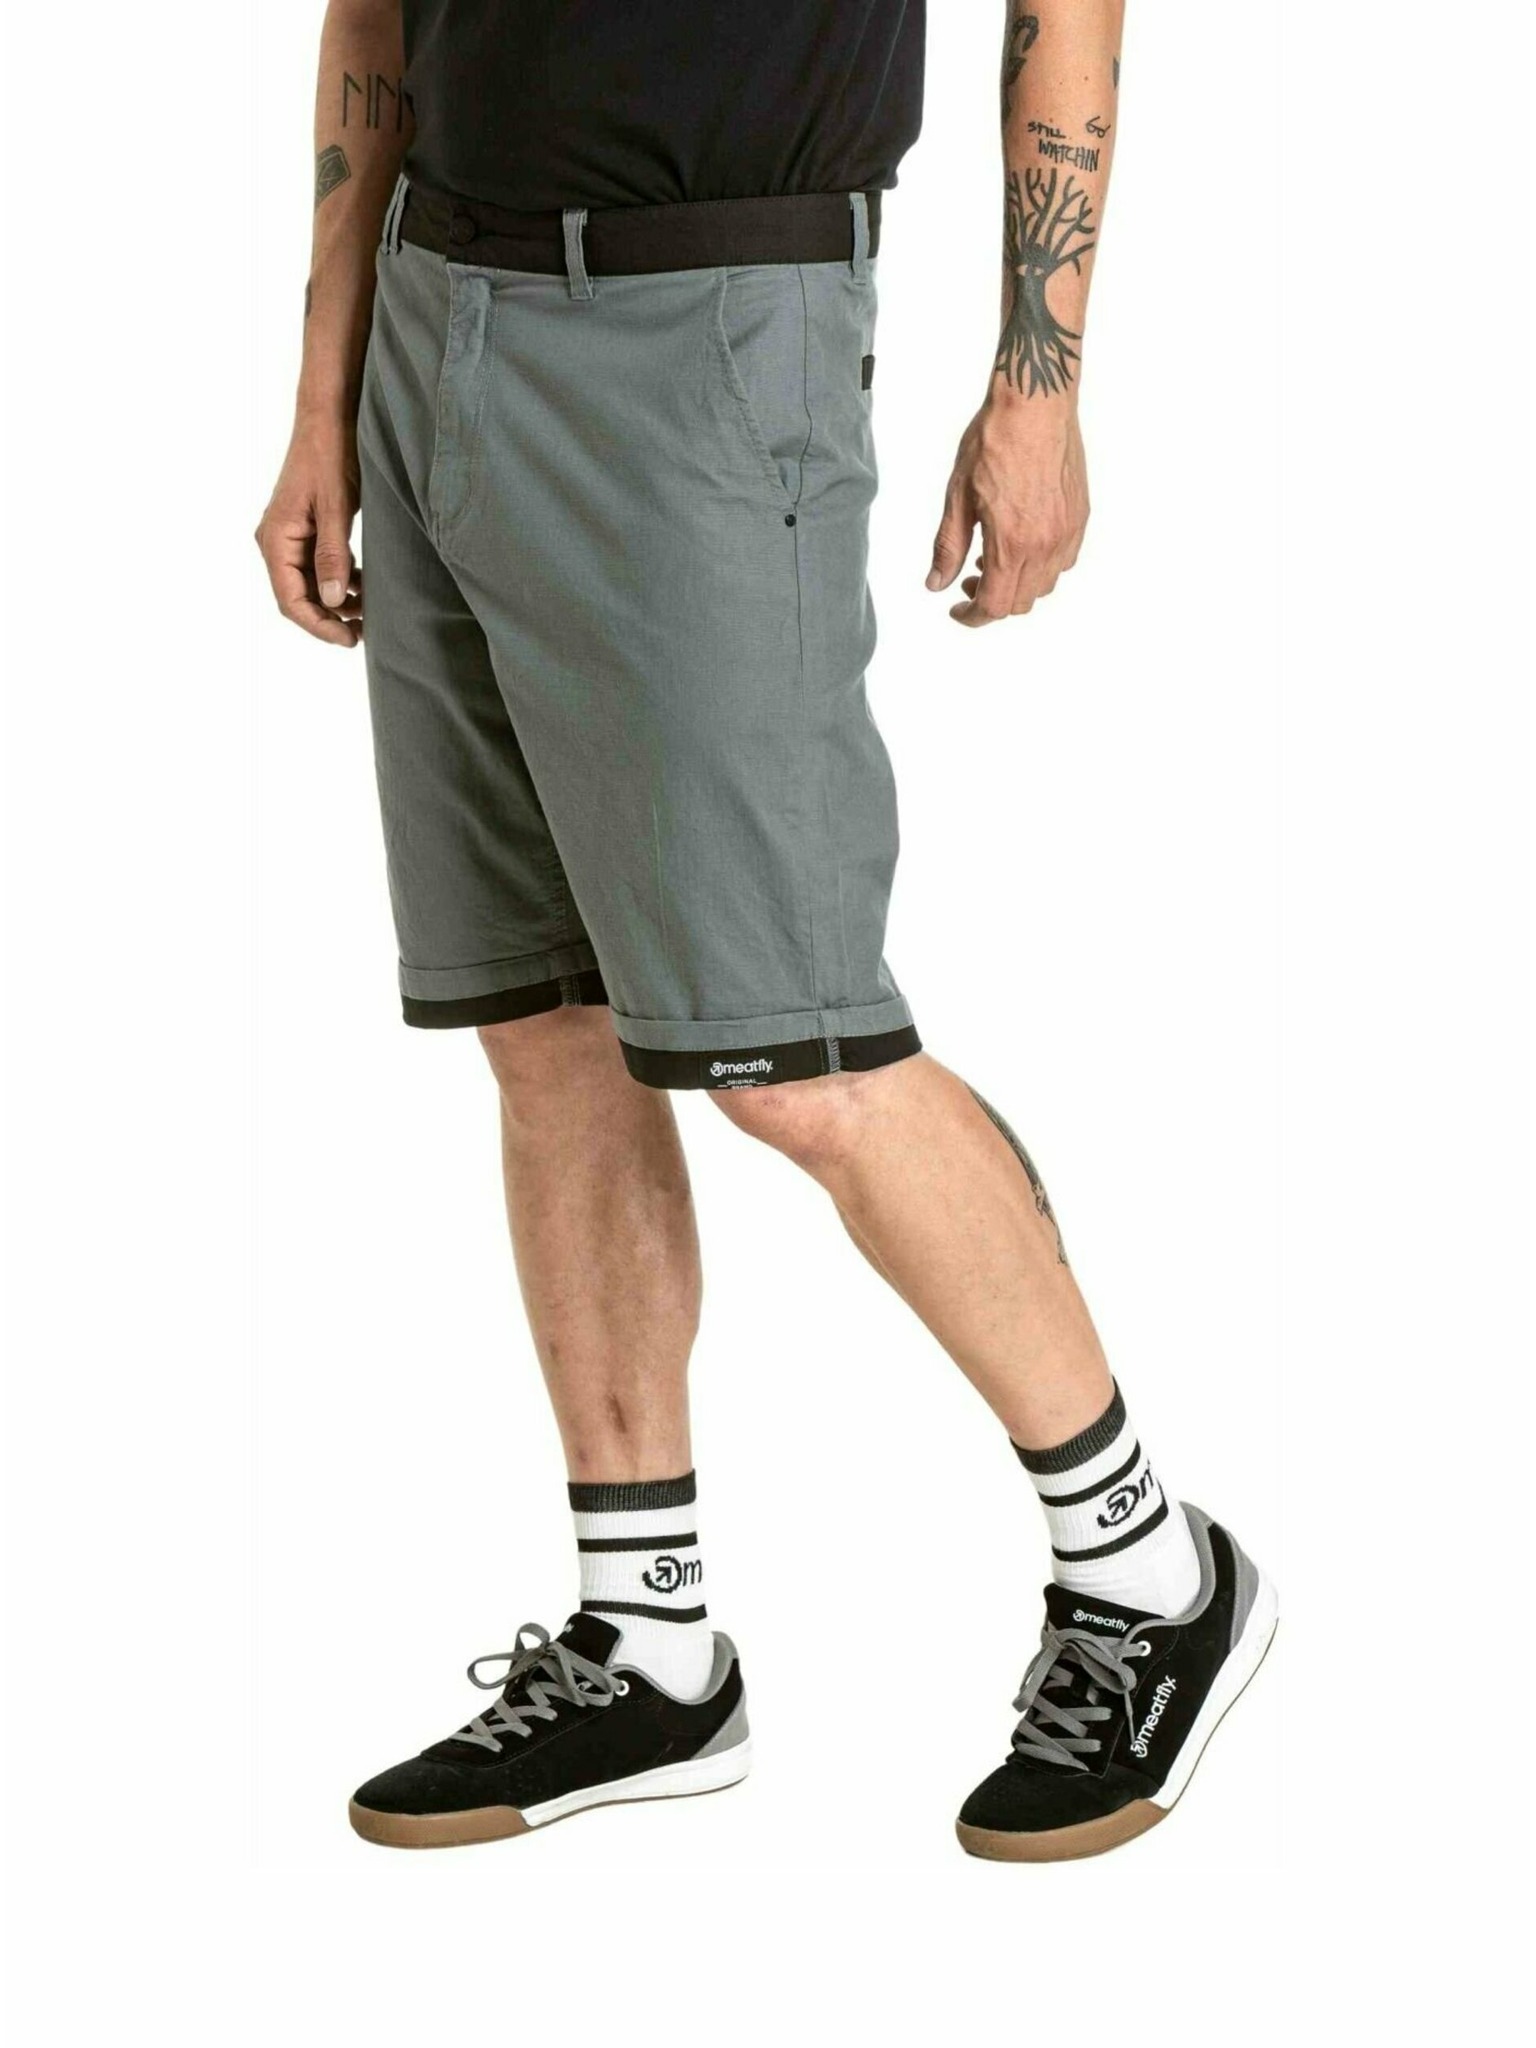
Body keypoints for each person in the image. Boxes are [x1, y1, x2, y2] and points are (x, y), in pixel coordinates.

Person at [257, 0, 1275, 1863]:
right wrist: (323, 390)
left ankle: (1152, 1568)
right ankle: (650, 1650)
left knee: (802, 1059)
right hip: (436, 317)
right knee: (544, 1024)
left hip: (718, 330)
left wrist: (1038, 385)